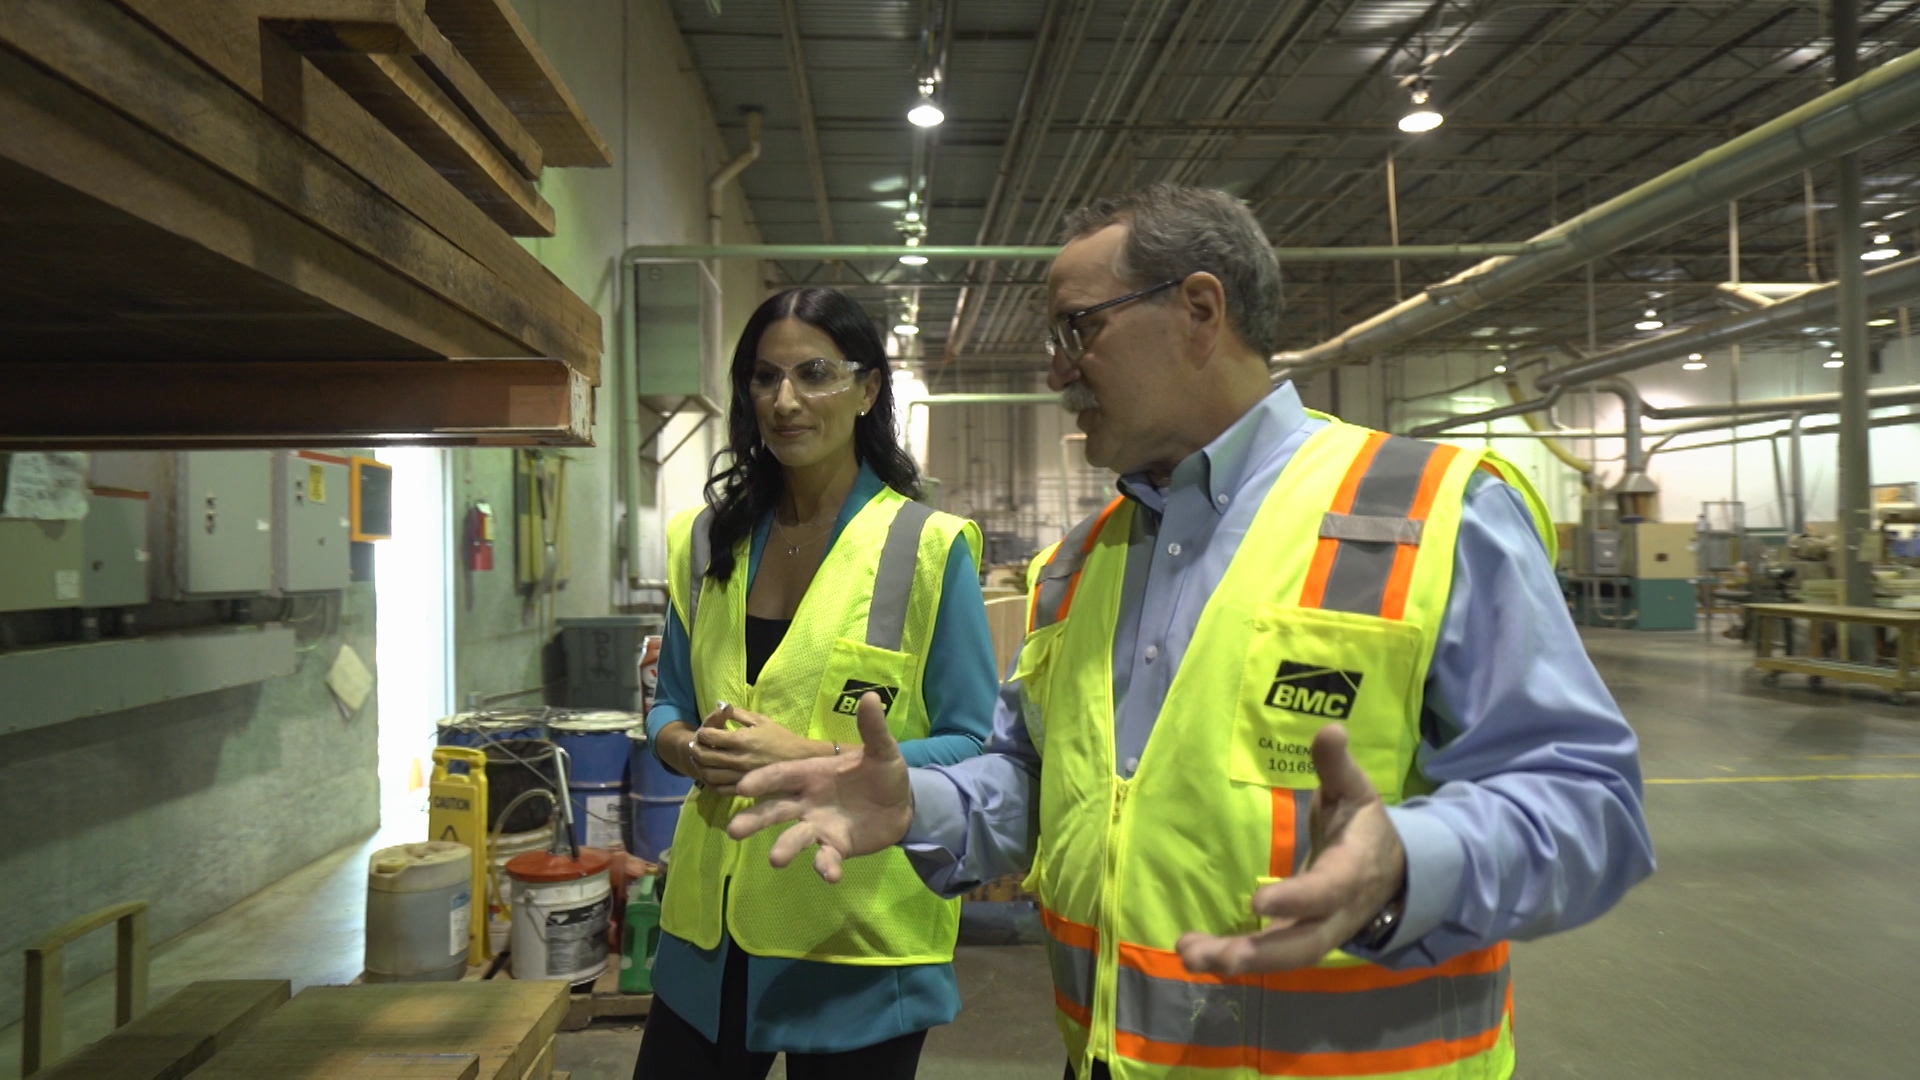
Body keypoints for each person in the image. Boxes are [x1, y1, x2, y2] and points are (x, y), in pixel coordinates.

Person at [727, 185, 1657, 1080]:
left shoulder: (1424, 513)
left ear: (1200, 311)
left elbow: (1591, 806)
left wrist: (1411, 862)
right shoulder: (1082, 561)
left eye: (1077, 329)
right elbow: (1040, 783)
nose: (1056, 371)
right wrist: (917, 804)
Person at [633, 286, 996, 1079]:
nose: (785, 400)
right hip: (707, 937)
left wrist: (812, 759)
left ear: (867, 390)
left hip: (856, 935)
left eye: (815, 374)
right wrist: (687, 748)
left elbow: (974, 742)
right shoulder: (706, 540)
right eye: (765, 378)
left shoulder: (928, 548)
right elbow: (670, 705)